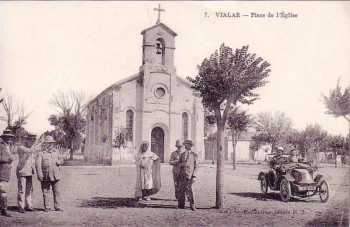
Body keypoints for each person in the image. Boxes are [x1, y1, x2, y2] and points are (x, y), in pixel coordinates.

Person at [35, 135, 63, 212]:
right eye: (48, 143)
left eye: (51, 143)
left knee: (57, 191)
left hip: (55, 175)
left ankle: (57, 206)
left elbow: (61, 159)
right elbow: (38, 165)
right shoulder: (41, 153)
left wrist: (59, 162)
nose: (50, 145)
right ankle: (47, 207)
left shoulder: (56, 152)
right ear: (45, 144)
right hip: (46, 175)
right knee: (46, 191)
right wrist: (39, 174)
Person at [15, 135, 41, 213]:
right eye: (31, 140)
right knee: (22, 189)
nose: (32, 141)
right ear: (26, 140)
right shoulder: (21, 147)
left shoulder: (31, 148)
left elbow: (33, 159)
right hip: (22, 171)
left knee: (29, 190)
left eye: (33, 140)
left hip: (29, 171)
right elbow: (29, 151)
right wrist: (39, 144)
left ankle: (28, 205)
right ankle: (21, 206)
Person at [178, 139, 198, 211]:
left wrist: (194, 176)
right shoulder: (182, 154)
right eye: (185, 144)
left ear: (190, 146)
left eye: (188, 144)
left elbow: (196, 166)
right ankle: (181, 204)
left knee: (191, 190)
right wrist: (181, 165)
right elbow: (179, 163)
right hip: (182, 175)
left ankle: (192, 205)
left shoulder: (194, 155)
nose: (186, 145)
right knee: (181, 190)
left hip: (190, 175)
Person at [0, 137, 14, 217]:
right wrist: (8, 159)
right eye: (7, 137)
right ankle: (4, 210)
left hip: (5, 171)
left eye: (10, 137)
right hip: (2, 171)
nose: (9, 139)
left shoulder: (8, 146)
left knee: (3, 190)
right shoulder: (1, 146)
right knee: (3, 190)